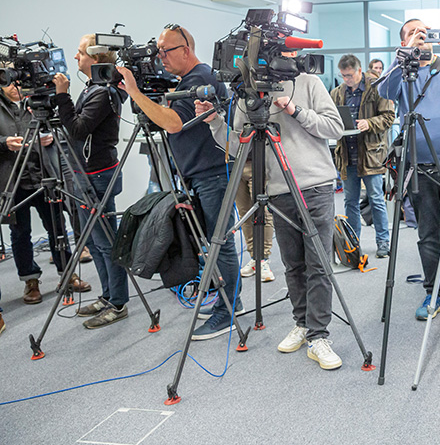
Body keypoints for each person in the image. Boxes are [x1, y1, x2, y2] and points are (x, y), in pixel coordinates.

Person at [198, 67, 346, 370]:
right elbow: (240, 145)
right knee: (293, 264)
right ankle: (302, 323)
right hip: (277, 189)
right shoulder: (247, 94)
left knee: (318, 263)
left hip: (314, 185)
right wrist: (214, 122)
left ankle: (319, 335)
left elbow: (334, 128)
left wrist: (295, 111)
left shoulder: (308, 82)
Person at [117, 24, 242, 340]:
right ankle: (230, 300)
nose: (161, 57)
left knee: (219, 243)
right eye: (158, 51)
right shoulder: (189, 80)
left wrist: (134, 92)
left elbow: (173, 124)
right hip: (202, 173)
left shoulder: (198, 79)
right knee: (214, 242)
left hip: (212, 173)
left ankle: (228, 311)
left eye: (166, 51)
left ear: (185, 49)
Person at [377, 19, 440, 329]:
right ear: (403, 41)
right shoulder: (402, 72)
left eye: (424, 32)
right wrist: (405, 55)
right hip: (417, 168)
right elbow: (385, 90)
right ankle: (434, 293)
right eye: (412, 33)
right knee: (427, 237)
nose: (420, 36)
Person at [54, 34, 129, 328]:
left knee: (106, 242)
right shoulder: (92, 89)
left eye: (80, 53)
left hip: (97, 176)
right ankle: (108, 295)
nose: (75, 58)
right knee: (95, 243)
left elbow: (77, 129)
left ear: (95, 58)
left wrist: (62, 95)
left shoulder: (102, 92)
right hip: (86, 173)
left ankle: (119, 303)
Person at [0, 81, 90, 305]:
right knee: (20, 233)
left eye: (19, 82)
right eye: (9, 82)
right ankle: (30, 280)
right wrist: (4, 143)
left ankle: (68, 273)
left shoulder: (39, 102)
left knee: (56, 226)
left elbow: (63, 126)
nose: (15, 87)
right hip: (14, 180)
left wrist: (50, 135)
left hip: (44, 175)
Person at [330, 54, 394, 258]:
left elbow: (389, 116)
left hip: (371, 154)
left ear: (359, 71)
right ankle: (353, 243)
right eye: (343, 76)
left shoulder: (378, 87)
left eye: (349, 75)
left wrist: (369, 123)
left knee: (376, 199)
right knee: (350, 202)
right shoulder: (337, 93)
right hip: (347, 154)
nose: (346, 80)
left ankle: (383, 242)